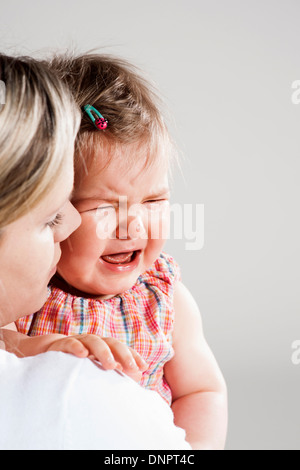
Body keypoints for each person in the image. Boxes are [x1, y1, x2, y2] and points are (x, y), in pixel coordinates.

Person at [15, 53, 228, 450]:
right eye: (106, 207)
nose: (134, 226)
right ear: (50, 207)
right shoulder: (28, 291)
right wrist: (37, 347)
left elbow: (202, 392)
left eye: (153, 201)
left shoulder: (165, 298)